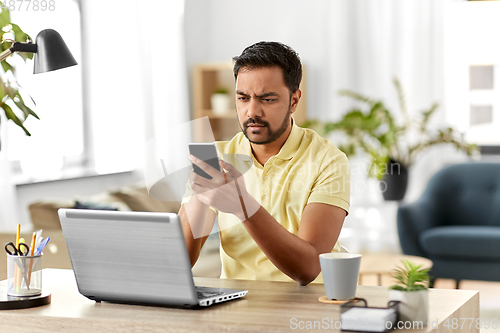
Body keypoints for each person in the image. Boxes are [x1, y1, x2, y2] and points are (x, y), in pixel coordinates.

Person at [179, 41, 350, 286]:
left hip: (307, 304)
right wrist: (200, 197)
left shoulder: (328, 160)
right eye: (243, 98)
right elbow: (179, 260)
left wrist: (243, 206)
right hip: (236, 306)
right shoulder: (216, 157)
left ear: (294, 101)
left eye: (267, 99)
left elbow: (309, 267)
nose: (252, 111)